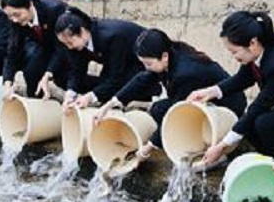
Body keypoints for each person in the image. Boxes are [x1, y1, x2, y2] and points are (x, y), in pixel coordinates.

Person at [196, 12, 274, 188]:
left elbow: (258, 107)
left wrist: (221, 146)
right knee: (253, 126)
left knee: (264, 124)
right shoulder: (260, 50)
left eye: (234, 51)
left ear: (252, 43)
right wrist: (211, 91)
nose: (234, 57)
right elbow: (242, 78)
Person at [99, 28, 246, 158]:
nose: (146, 68)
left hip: (228, 106)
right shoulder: (171, 54)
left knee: (167, 114)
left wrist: (149, 147)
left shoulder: (185, 73)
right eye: (143, 63)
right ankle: (180, 138)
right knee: (158, 109)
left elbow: (176, 114)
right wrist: (109, 105)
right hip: (201, 100)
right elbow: (141, 80)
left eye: (148, 63)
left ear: (164, 56)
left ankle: (207, 146)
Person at [54, 8, 146, 111]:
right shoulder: (77, 45)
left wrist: (90, 97)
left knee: (116, 87)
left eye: (70, 43)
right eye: (65, 44)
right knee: (66, 78)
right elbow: (76, 70)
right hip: (115, 63)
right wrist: (70, 95)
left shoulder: (111, 37)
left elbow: (115, 75)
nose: (69, 47)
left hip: (140, 62)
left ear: (83, 32)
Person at [0, 0, 69, 99]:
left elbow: (61, 47)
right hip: (44, 46)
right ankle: (36, 101)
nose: (15, 20)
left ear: (30, 5)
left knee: (63, 78)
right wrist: (7, 82)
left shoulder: (55, 10)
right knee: (31, 69)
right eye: (10, 17)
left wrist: (48, 73)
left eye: (17, 15)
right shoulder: (16, 21)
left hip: (68, 46)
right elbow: (12, 49)